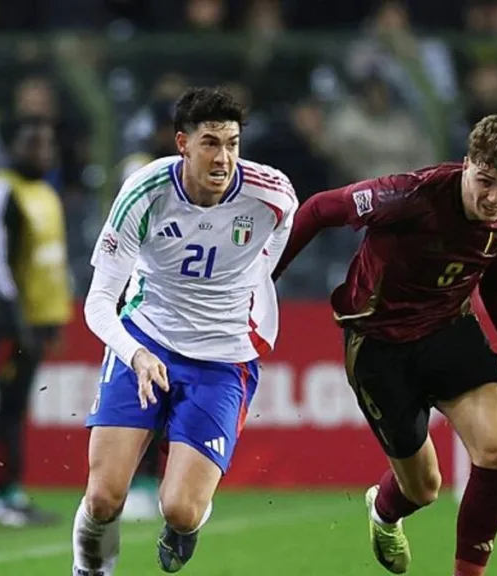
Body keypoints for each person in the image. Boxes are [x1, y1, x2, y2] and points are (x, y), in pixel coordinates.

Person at [273, 113, 497, 576]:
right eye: (485, 181)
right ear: (468, 162)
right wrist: (265, 280)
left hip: (449, 331)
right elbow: (317, 210)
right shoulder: (407, 196)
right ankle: (384, 513)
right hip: (378, 346)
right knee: (423, 487)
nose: (494, 199)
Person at [71, 86, 297, 575]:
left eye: (233, 143)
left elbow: (273, 248)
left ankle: (182, 527)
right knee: (104, 495)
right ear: (182, 143)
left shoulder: (272, 194)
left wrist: (246, 288)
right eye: (211, 143)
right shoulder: (143, 192)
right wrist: (135, 354)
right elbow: (98, 302)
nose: (224, 158)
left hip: (223, 357)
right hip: (147, 338)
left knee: (181, 509)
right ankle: (89, 571)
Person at [0, 116, 71, 527]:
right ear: (13, 146)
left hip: (38, 319)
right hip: (11, 320)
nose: (42, 153)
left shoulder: (44, 191)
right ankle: (4, 497)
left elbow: (49, 262)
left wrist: (53, 319)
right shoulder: (1, 187)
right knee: (8, 407)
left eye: (47, 145)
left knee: (16, 406)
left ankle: (13, 492)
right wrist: (12, 319)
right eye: (33, 144)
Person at [115, 98, 180, 522]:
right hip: (142, 296)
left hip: (182, 301)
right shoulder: (141, 172)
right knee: (144, 395)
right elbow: (123, 238)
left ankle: (166, 481)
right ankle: (137, 481)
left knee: (175, 396)